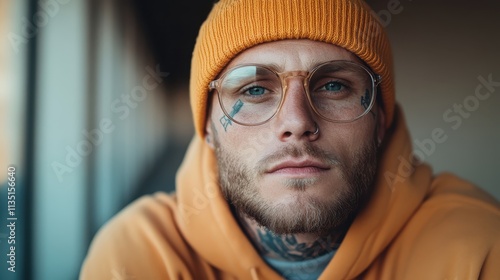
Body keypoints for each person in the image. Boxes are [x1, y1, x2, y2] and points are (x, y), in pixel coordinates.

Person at [79, 0, 500, 279]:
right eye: (255, 90)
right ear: (206, 126)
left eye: (334, 86)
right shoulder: (137, 257)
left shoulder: (477, 249)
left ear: (381, 120)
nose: (297, 122)